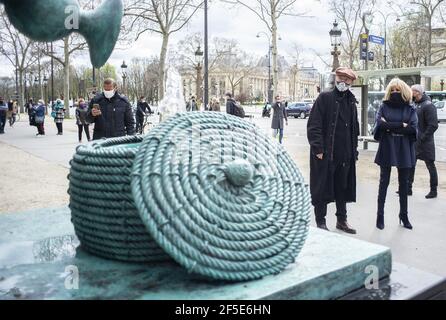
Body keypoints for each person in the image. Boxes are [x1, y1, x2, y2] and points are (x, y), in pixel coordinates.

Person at [307, 67, 359, 234]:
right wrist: (318, 149)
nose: (343, 81)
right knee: (321, 188)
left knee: (342, 188)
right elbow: (314, 125)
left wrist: (354, 151)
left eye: (347, 79)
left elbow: (354, 128)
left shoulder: (351, 101)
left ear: (352, 82)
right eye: (341, 77)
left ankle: (341, 220)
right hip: (326, 154)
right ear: (336, 78)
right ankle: (320, 221)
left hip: (345, 154)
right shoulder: (325, 97)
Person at [373, 78, 418, 230]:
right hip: (387, 146)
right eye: (392, 90)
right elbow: (379, 125)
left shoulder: (410, 108)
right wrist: (400, 125)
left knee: (404, 184)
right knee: (383, 182)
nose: (395, 92)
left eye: (398, 90)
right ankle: (380, 216)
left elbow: (413, 129)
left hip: (404, 148)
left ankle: (404, 215)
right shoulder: (383, 106)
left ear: (404, 90)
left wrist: (389, 126)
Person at [409, 84, 439, 199]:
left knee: (430, 166)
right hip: (415, 141)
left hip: (426, 143)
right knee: (411, 164)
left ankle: (433, 190)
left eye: (412, 91)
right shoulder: (415, 104)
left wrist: (422, 138)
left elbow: (433, 125)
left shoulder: (428, 105)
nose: (411, 93)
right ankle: (408, 188)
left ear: (417, 92)